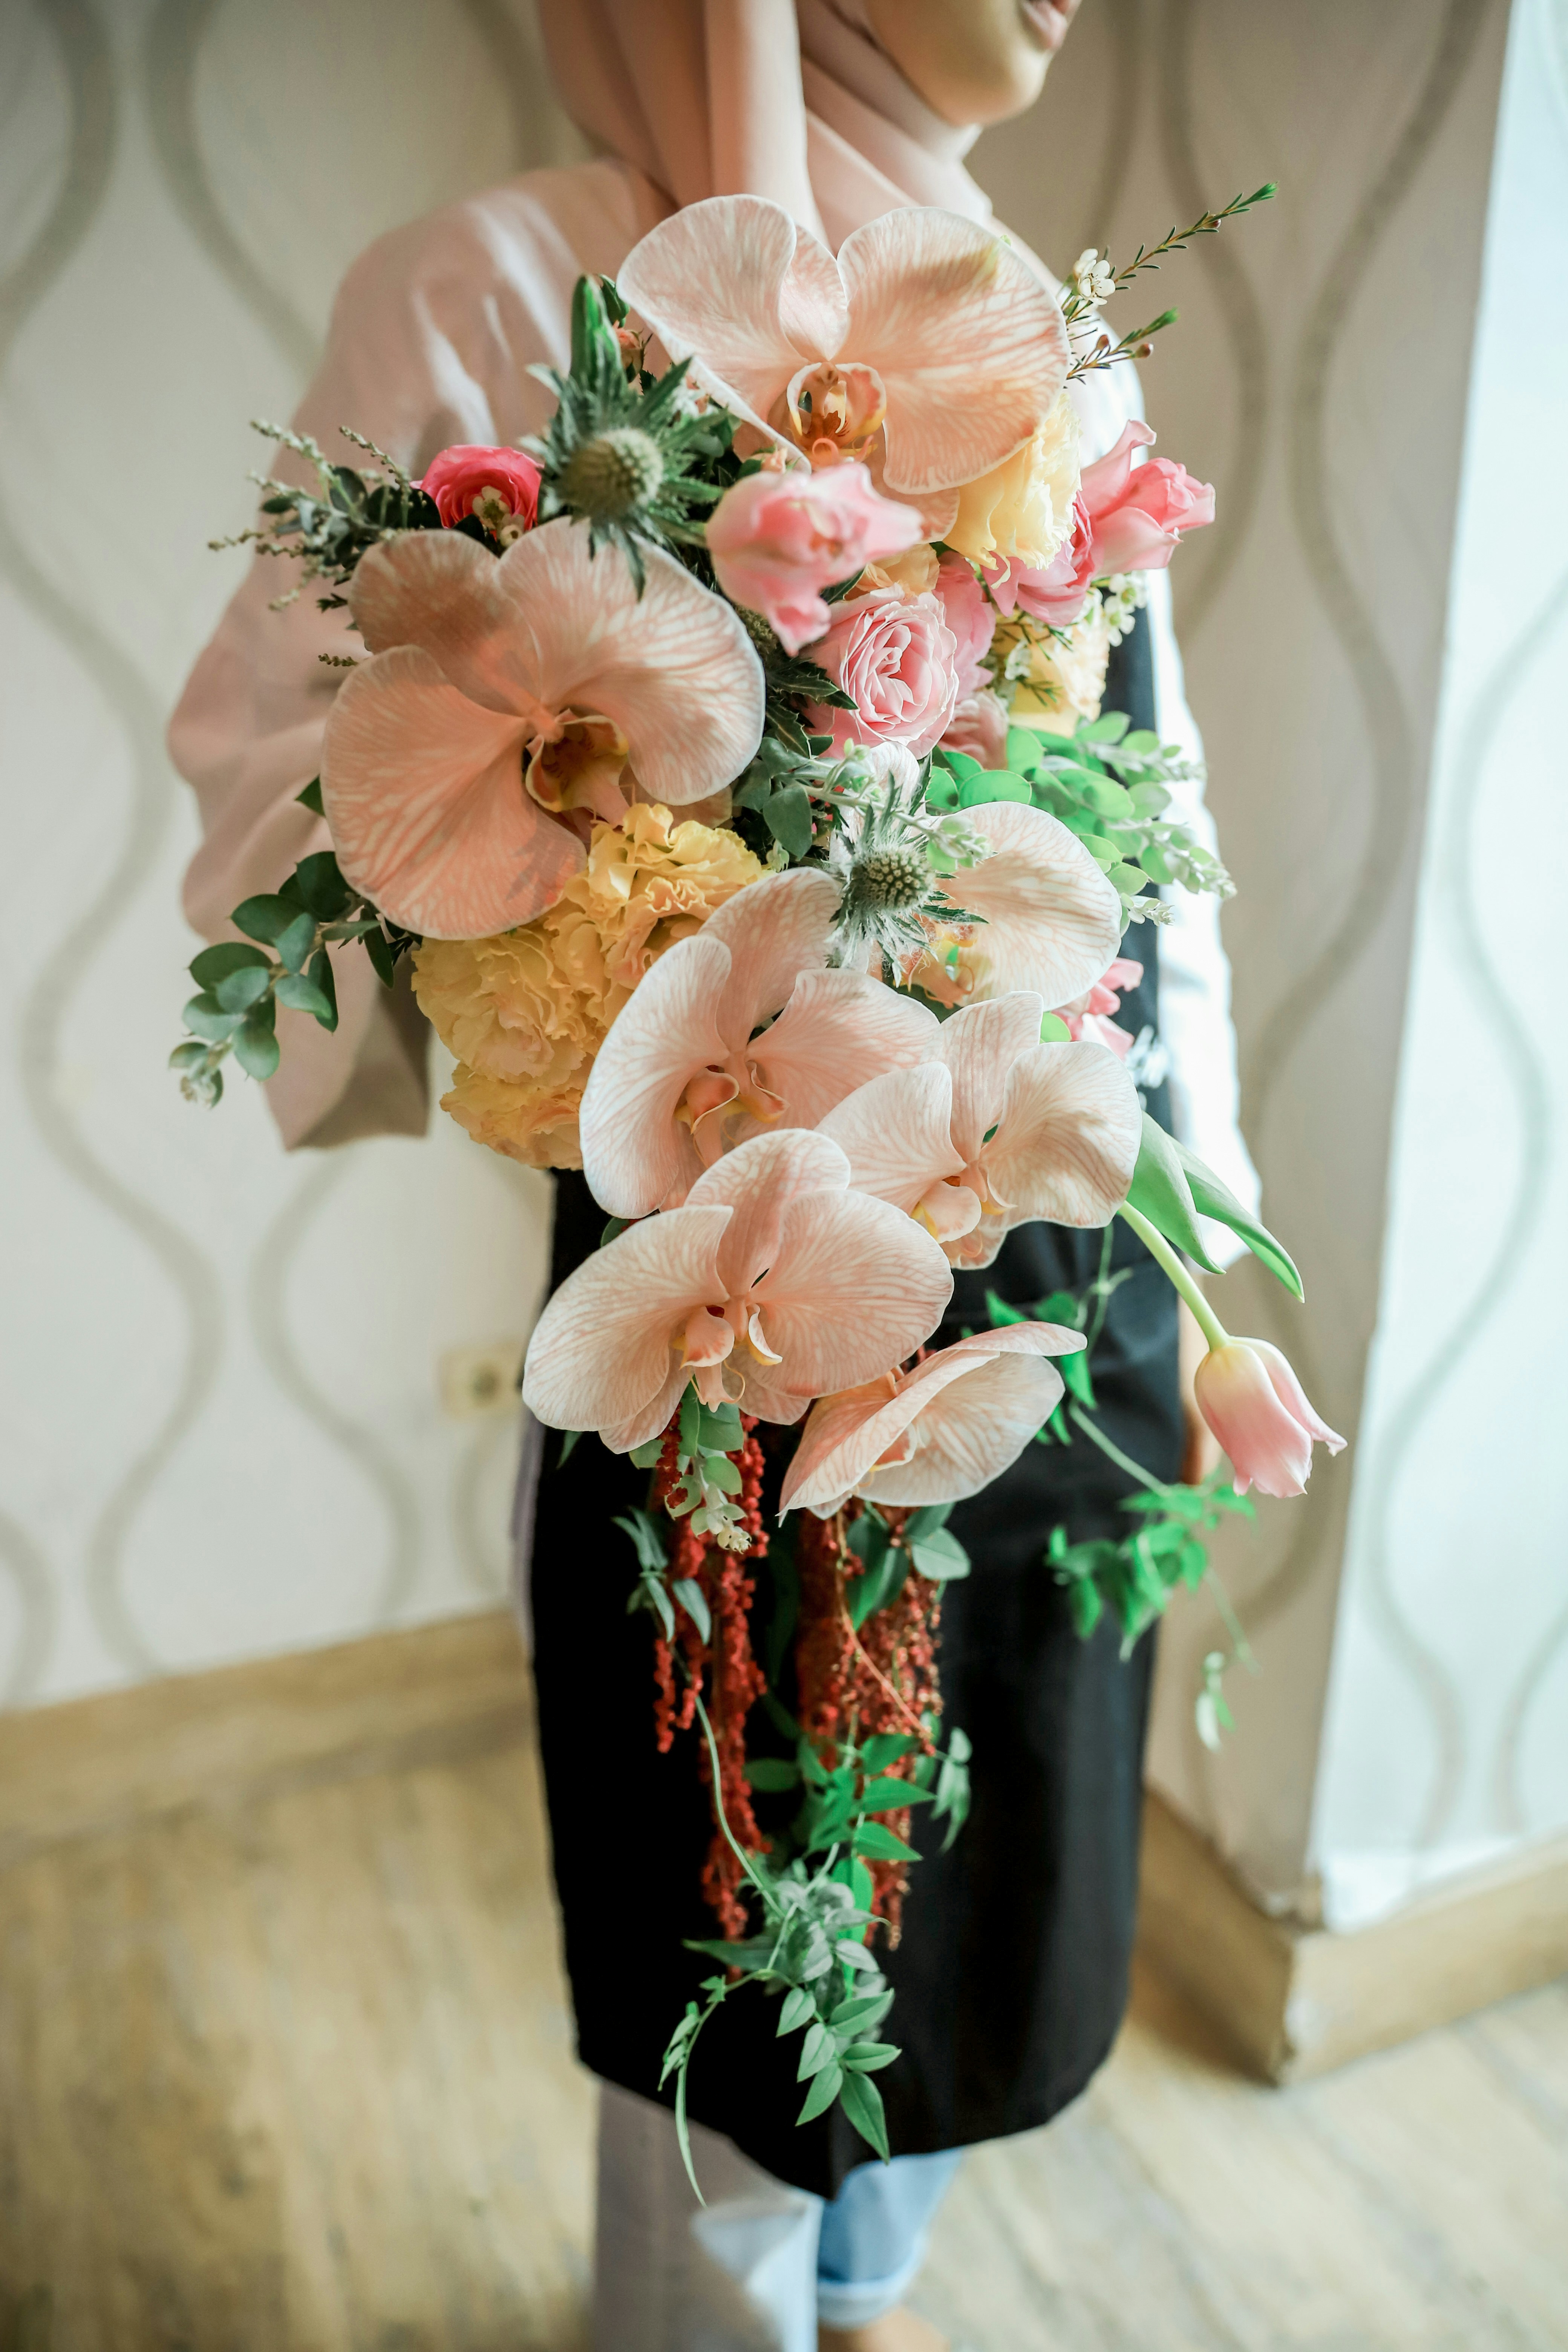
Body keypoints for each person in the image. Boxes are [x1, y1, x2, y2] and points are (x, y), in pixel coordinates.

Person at [169, 6, 1258, 2347]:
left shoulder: (1055, 339)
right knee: (731, 1876)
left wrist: (1214, 1245)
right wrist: (596, 864)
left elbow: (1162, 863)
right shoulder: (493, 287)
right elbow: (292, 797)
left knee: (984, 1858)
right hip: (730, 1266)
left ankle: (883, 2291)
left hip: (1058, 1254)